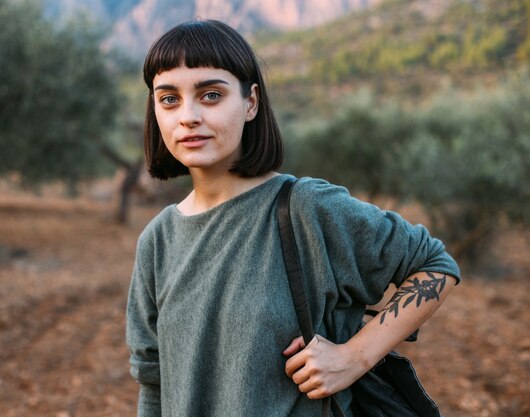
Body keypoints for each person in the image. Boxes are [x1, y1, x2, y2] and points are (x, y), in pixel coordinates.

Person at [126, 19, 460, 417]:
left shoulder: (305, 207)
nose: (189, 116)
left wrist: (353, 357)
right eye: (169, 99)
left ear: (250, 103)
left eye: (211, 95)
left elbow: (434, 264)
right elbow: (154, 382)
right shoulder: (157, 240)